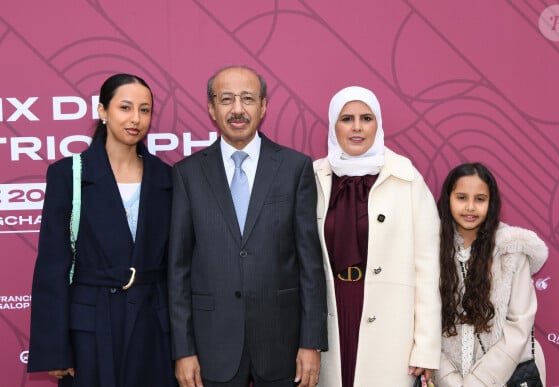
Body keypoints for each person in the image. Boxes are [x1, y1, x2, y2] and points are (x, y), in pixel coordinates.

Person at [168, 65, 328, 387]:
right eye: (226, 99)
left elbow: (310, 265)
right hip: (212, 344)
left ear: (264, 106)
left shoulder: (295, 168)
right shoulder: (187, 174)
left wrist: (311, 341)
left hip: (282, 345)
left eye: (248, 99)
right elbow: (178, 268)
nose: (237, 109)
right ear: (212, 108)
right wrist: (183, 350)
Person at [27, 73, 177, 386]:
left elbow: (180, 267)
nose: (136, 118)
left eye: (145, 110)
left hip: (153, 326)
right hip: (90, 329)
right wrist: (55, 349)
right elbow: (53, 265)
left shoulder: (168, 178)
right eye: (125, 107)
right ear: (102, 111)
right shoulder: (68, 174)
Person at [314, 86, 441, 387]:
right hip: (330, 315)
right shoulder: (312, 177)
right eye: (347, 118)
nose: (357, 127)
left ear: (378, 124)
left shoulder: (407, 179)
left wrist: (425, 347)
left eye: (366, 118)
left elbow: (428, 271)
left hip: (391, 322)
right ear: (334, 125)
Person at [434, 162, 548, 386]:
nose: (470, 207)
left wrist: (481, 381)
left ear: (491, 203)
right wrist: (448, 379)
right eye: (461, 197)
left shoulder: (512, 251)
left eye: (479, 199)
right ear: (448, 200)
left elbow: (520, 324)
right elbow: (420, 321)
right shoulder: (429, 250)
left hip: (505, 375)